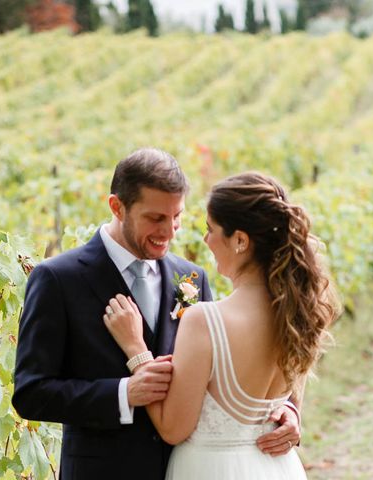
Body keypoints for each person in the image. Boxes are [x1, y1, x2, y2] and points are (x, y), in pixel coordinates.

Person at [12, 149, 301, 479]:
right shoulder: (58, 279)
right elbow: (31, 393)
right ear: (117, 207)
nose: (170, 231)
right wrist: (123, 394)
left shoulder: (191, 277)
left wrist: (284, 410)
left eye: (176, 216)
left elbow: (227, 372)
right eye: (156, 218)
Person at [104, 172, 340, 479]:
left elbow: (173, 429)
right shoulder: (297, 314)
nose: (205, 240)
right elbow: (290, 400)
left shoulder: (205, 320)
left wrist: (136, 349)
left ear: (240, 240)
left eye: (210, 229)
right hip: (277, 468)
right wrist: (293, 412)